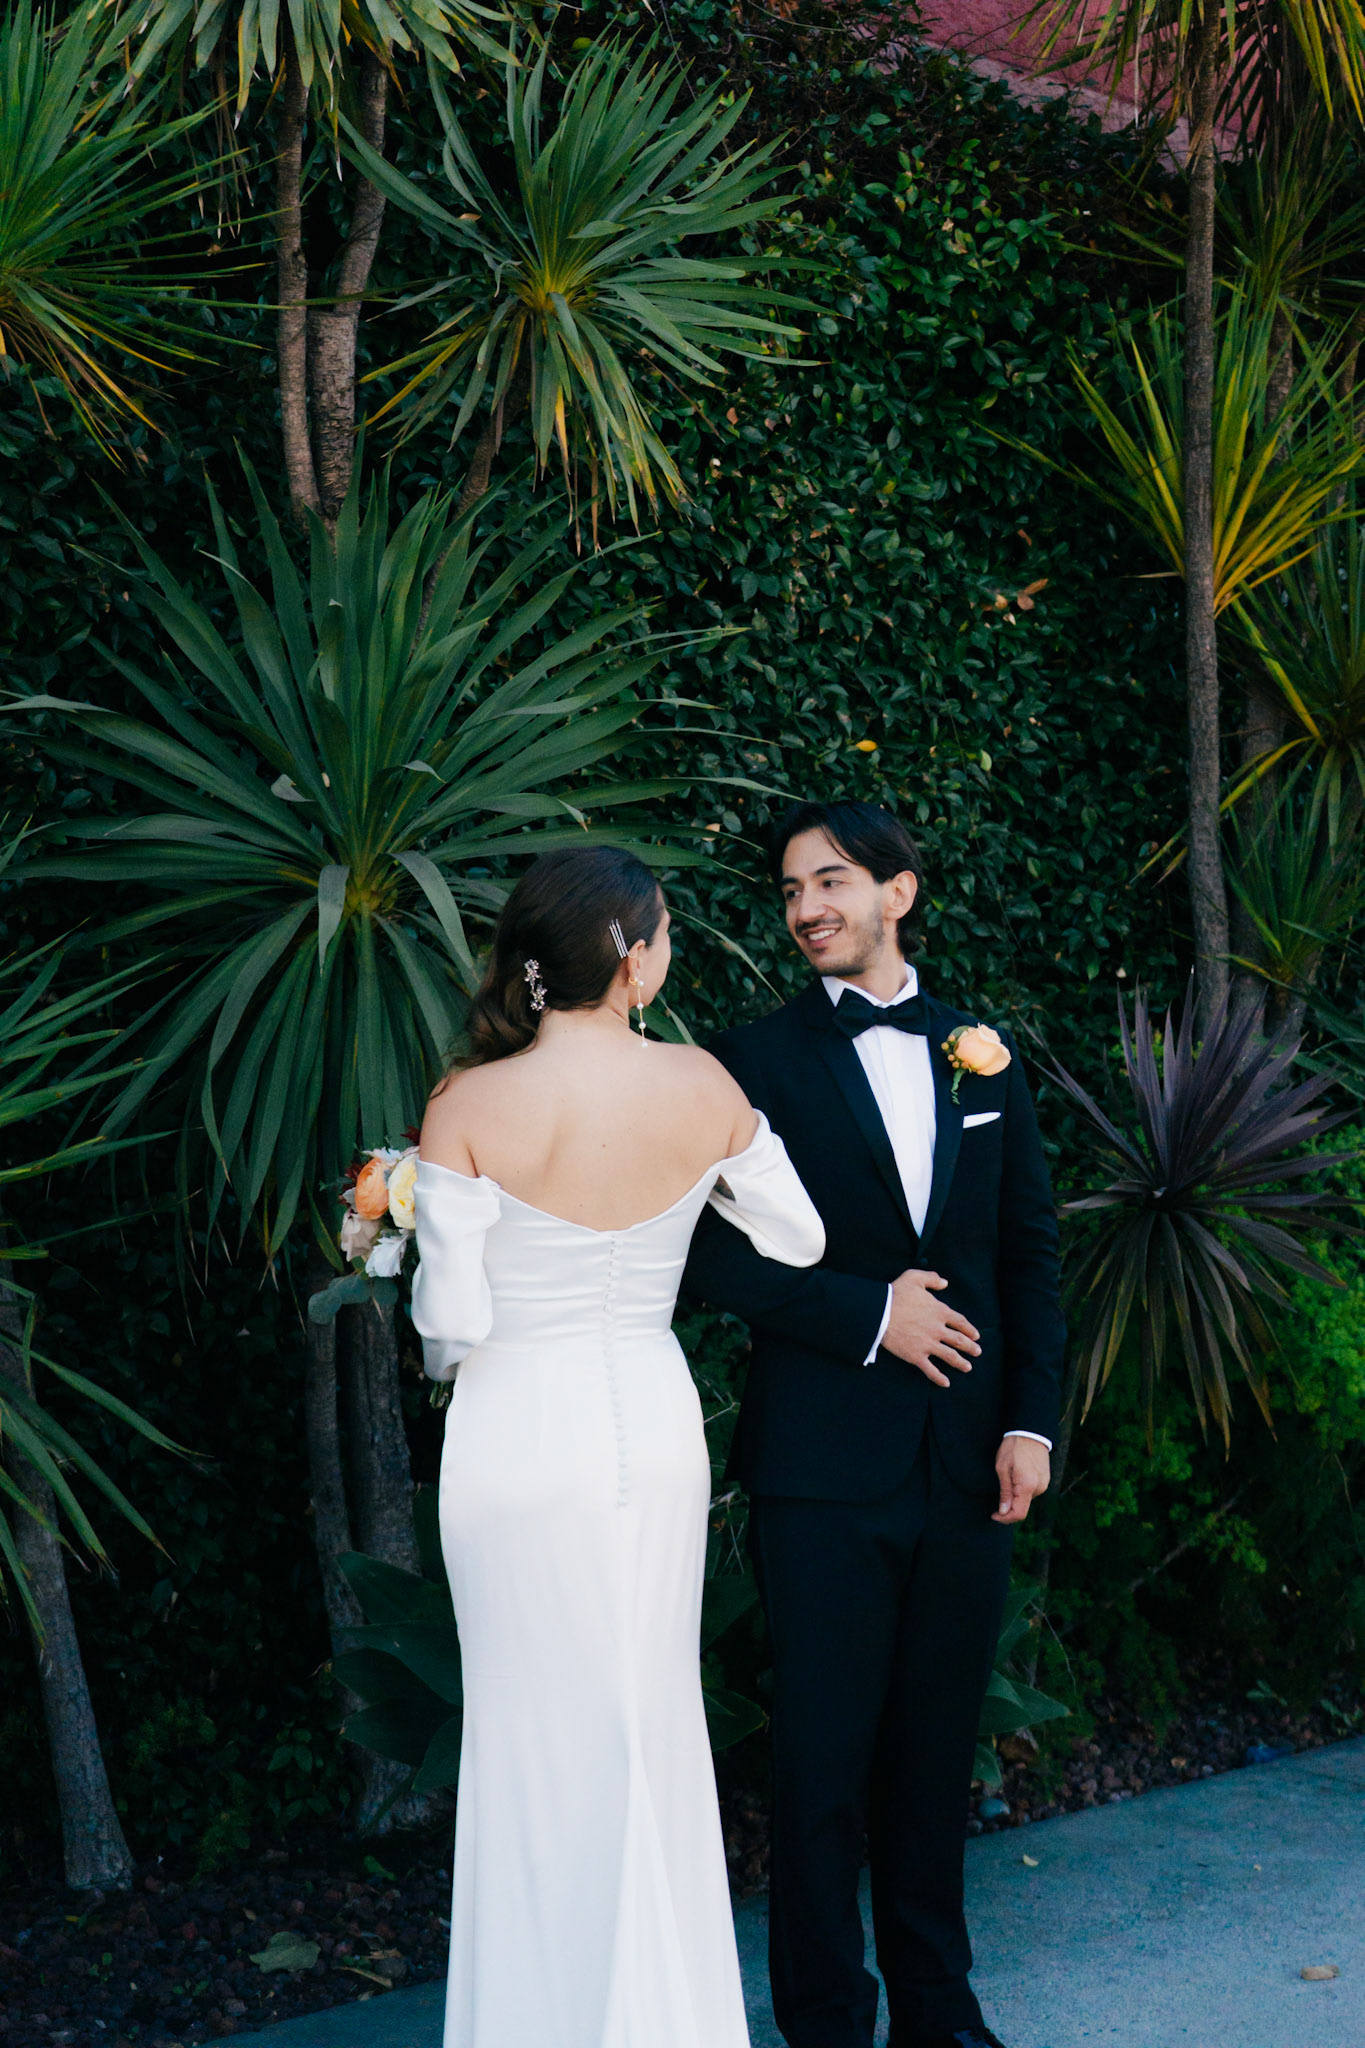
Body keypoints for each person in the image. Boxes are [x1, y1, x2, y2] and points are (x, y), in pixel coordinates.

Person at [410, 844, 826, 2048]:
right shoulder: (702, 1084)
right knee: (648, 1720)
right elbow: (798, 1238)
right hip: (649, 1419)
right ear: (632, 959)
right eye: (667, 935)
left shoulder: (466, 1103)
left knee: (528, 1736)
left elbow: (450, 1327)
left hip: (514, 1437)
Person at [682, 800, 1066, 2048]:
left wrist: (1032, 1423)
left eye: (832, 880)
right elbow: (707, 1257)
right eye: (793, 889)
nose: (807, 908)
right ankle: (828, 2021)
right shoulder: (748, 1061)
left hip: (967, 1465)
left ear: (898, 891)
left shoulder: (982, 1053)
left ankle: (940, 2014)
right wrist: (868, 1314)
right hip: (820, 1468)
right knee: (820, 1766)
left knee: (935, 1755)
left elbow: (1028, 1252)